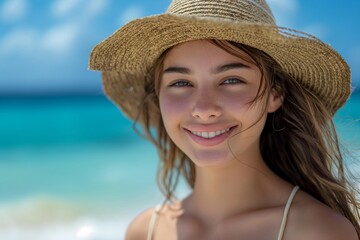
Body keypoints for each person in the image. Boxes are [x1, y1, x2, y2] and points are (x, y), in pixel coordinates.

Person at [89, 0, 360, 239]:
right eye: (181, 82)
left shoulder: (316, 232)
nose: (204, 108)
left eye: (232, 80)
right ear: (158, 96)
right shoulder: (145, 231)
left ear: (274, 94)